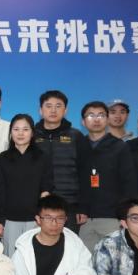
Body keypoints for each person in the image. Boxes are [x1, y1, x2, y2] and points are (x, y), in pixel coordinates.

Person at [76, 101, 137, 251]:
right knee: (87, 261)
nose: (96, 119)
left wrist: (124, 213)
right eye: (91, 115)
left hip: (112, 216)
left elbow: (129, 182)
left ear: (108, 119)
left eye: (101, 115)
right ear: (83, 121)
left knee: (114, 259)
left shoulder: (120, 146)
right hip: (84, 218)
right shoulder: (78, 145)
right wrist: (80, 208)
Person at [0, 114, 54, 256]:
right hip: (9, 220)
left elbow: (46, 188)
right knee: (11, 258)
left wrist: (42, 217)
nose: (20, 133)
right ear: (11, 132)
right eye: (16, 129)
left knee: (34, 258)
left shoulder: (42, 157)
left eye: (25, 129)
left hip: (35, 219)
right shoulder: (2, 158)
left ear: (32, 132)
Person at [34, 90, 86, 232]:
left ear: (65, 110)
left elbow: (85, 172)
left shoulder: (76, 136)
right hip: (38, 205)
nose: (53, 110)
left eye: (58, 106)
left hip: (70, 205)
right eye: (48, 106)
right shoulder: (31, 136)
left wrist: (83, 207)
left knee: (69, 244)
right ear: (40, 110)